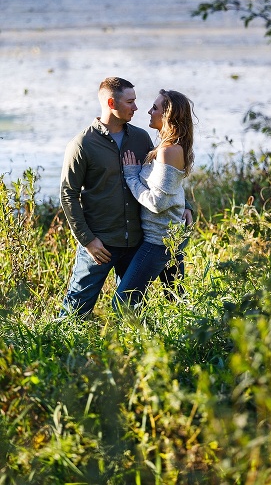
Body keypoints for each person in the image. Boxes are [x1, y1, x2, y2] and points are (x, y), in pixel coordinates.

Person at [59, 77, 191, 317]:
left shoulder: (141, 138)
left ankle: (132, 352)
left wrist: (187, 205)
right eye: (130, 102)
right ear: (111, 102)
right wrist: (87, 240)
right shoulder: (82, 145)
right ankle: (57, 351)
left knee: (132, 310)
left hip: (137, 242)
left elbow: (165, 177)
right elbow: (68, 194)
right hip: (101, 244)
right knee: (75, 310)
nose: (136, 108)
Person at [112, 89, 195, 312]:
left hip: (159, 241)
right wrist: (186, 206)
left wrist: (130, 175)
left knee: (123, 303)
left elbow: (158, 202)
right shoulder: (170, 147)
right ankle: (189, 342)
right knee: (177, 302)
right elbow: (172, 186)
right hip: (169, 236)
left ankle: (134, 346)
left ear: (168, 116)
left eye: (155, 108)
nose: (148, 111)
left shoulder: (168, 151)